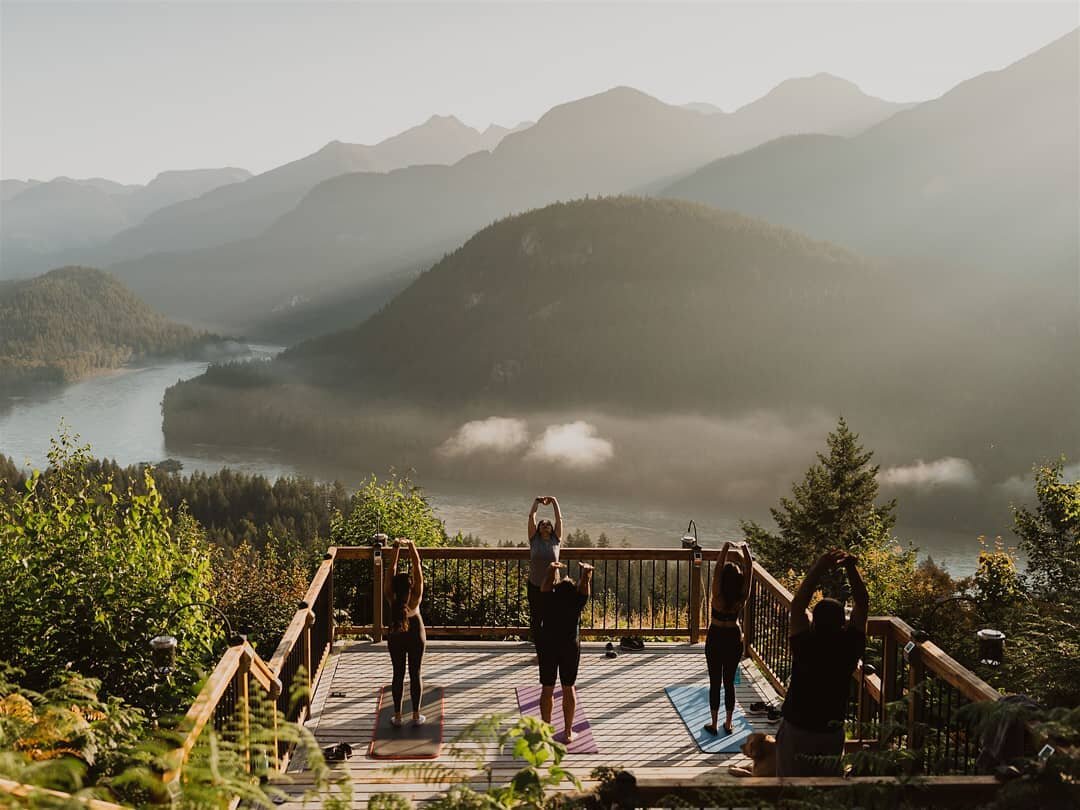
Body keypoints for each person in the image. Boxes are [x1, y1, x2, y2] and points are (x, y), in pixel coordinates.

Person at [776, 550, 869, 776]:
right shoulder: (849, 646)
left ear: (813, 621)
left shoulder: (805, 643)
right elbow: (863, 604)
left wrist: (819, 566)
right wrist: (851, 568)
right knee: (824, 792)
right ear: (842, 623)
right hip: (830, 732)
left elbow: (798, 605)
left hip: (797, 728)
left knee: (788, 790)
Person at [538, 559, 593, 742]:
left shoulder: (549, 598)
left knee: (547, 688)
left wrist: (550, 569)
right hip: (569, 646)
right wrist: (586, 574)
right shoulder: (577, 601)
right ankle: (568, 732)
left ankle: (545, 731)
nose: (567, 576)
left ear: (557, 587)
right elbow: (584, 586)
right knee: (568, 687)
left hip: (548, 645)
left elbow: (545, 586)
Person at [704, 540, 754, 735]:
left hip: (716, 636)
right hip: (733, 637)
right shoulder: (741, 597)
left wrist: (725, 547)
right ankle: (729, 723)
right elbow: (749, 570)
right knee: (729, 681)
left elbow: (717, 569)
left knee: (715, 681)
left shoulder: (717, 595)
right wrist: (744, 548)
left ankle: (715, 724)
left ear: (723, 579)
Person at [384, 537, 427, 727]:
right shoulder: (415, 596)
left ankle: (398, 716)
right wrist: (411, 546)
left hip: (396, 632)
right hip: (415, 631)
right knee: (415, 673)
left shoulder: (390, 595)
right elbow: (417, 566)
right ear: (410, 586)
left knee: (398, 674)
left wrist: (396, 547)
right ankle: (416, 715)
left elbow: (390, 569)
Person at [527, 496, 563, 660]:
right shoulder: (534, 540)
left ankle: (550, 646)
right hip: (535, 584)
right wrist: (537, 501)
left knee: (552, 617)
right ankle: (539, 648)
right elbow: (531, 517)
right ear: (539, 528)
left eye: (548, 525)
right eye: (543, 524)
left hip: (553, 585)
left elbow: (559, 518)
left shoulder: (556, 539)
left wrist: (554, 501)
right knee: (536, 616)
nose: (546, 526)